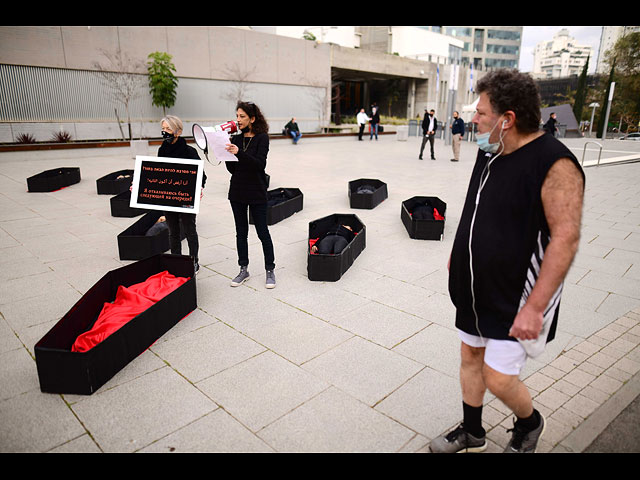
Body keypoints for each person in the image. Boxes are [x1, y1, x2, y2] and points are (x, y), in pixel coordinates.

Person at [431, 69, 585, 454]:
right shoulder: (490, 149)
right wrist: (457, 252)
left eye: (481, 112)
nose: (474, 119)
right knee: (470, 356)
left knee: (499, 378)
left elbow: (565, 239)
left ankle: (530, 423)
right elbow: (473, 206)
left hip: (519, 295)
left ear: (507, 119)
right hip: (475, 286)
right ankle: (472, 432)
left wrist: (535, 309)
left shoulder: (555, 164)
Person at [225, 101, 276, 289]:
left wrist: (239, 153)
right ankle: (243, 269)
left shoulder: (262, 138)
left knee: (263, 231)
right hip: (237, 191)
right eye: (237, 116)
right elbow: (233, 169)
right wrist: (227, 154)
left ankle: (270, 269)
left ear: (252, 119)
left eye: (242, 117)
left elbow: (259, 165)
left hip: (256, 191)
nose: (237, 120)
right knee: (241, 233)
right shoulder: (236, 139)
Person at [158, 115, 206, 274]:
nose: (165, 132)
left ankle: (194, 261)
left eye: (168, 129)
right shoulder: (162, 150)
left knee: (190, 231)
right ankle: (176, 261)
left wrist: (199, 189)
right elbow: (157, 172)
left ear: (177, 131)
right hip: (169, 198)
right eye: (163, 129)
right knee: (173, 232)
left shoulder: (189, 151)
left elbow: (201, 175)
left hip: (186, 199)